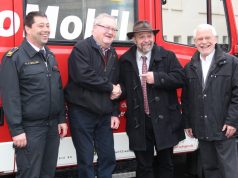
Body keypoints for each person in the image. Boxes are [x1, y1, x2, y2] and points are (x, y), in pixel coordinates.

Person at [0, 11, 68, 178]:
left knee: (48, 173)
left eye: (47, 25)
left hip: (52, 127)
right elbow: (11, 97)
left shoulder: (49, 56)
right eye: (40, 26)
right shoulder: (14, 58)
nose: (46, 30)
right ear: (27, 29)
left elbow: (58, 90)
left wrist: (61, 119)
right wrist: (16, 130)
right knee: (30, 174)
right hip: (30, 130)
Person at [119, 20, 185, 178]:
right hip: (139, 122)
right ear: (134, 39)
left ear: (154, 37)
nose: (146, 40)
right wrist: (117, 91)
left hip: (165, 121)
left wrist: (157, 78)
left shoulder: (167, 56)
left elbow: (181, 78)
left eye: (149, 36)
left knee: (166, 164)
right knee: (144, 167)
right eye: (141, 37)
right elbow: (122, 86)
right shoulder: (125, 60)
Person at [64, 13, 121, 178]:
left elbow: (116, 83)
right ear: (95, 28)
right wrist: (110, 87)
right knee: (86, 159)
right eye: (106, 27)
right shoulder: (81, 48)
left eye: (114, 29)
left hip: (104, 115)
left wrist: (114, 112)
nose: (110, 32)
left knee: (108, 157)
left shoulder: (113, 53)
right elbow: (83, 76)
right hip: (82, 113)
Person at [182, 24, 238, 178]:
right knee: (210, 170)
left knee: (229, 171)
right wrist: (188, 123)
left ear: (215, 40)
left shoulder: (232, 63)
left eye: (207, 38)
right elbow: (186, 98)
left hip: (224, 129)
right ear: (194, 42)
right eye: (200, 39)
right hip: (202, 130)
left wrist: (233, 121)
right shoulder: (190, 67)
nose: (204, 42)